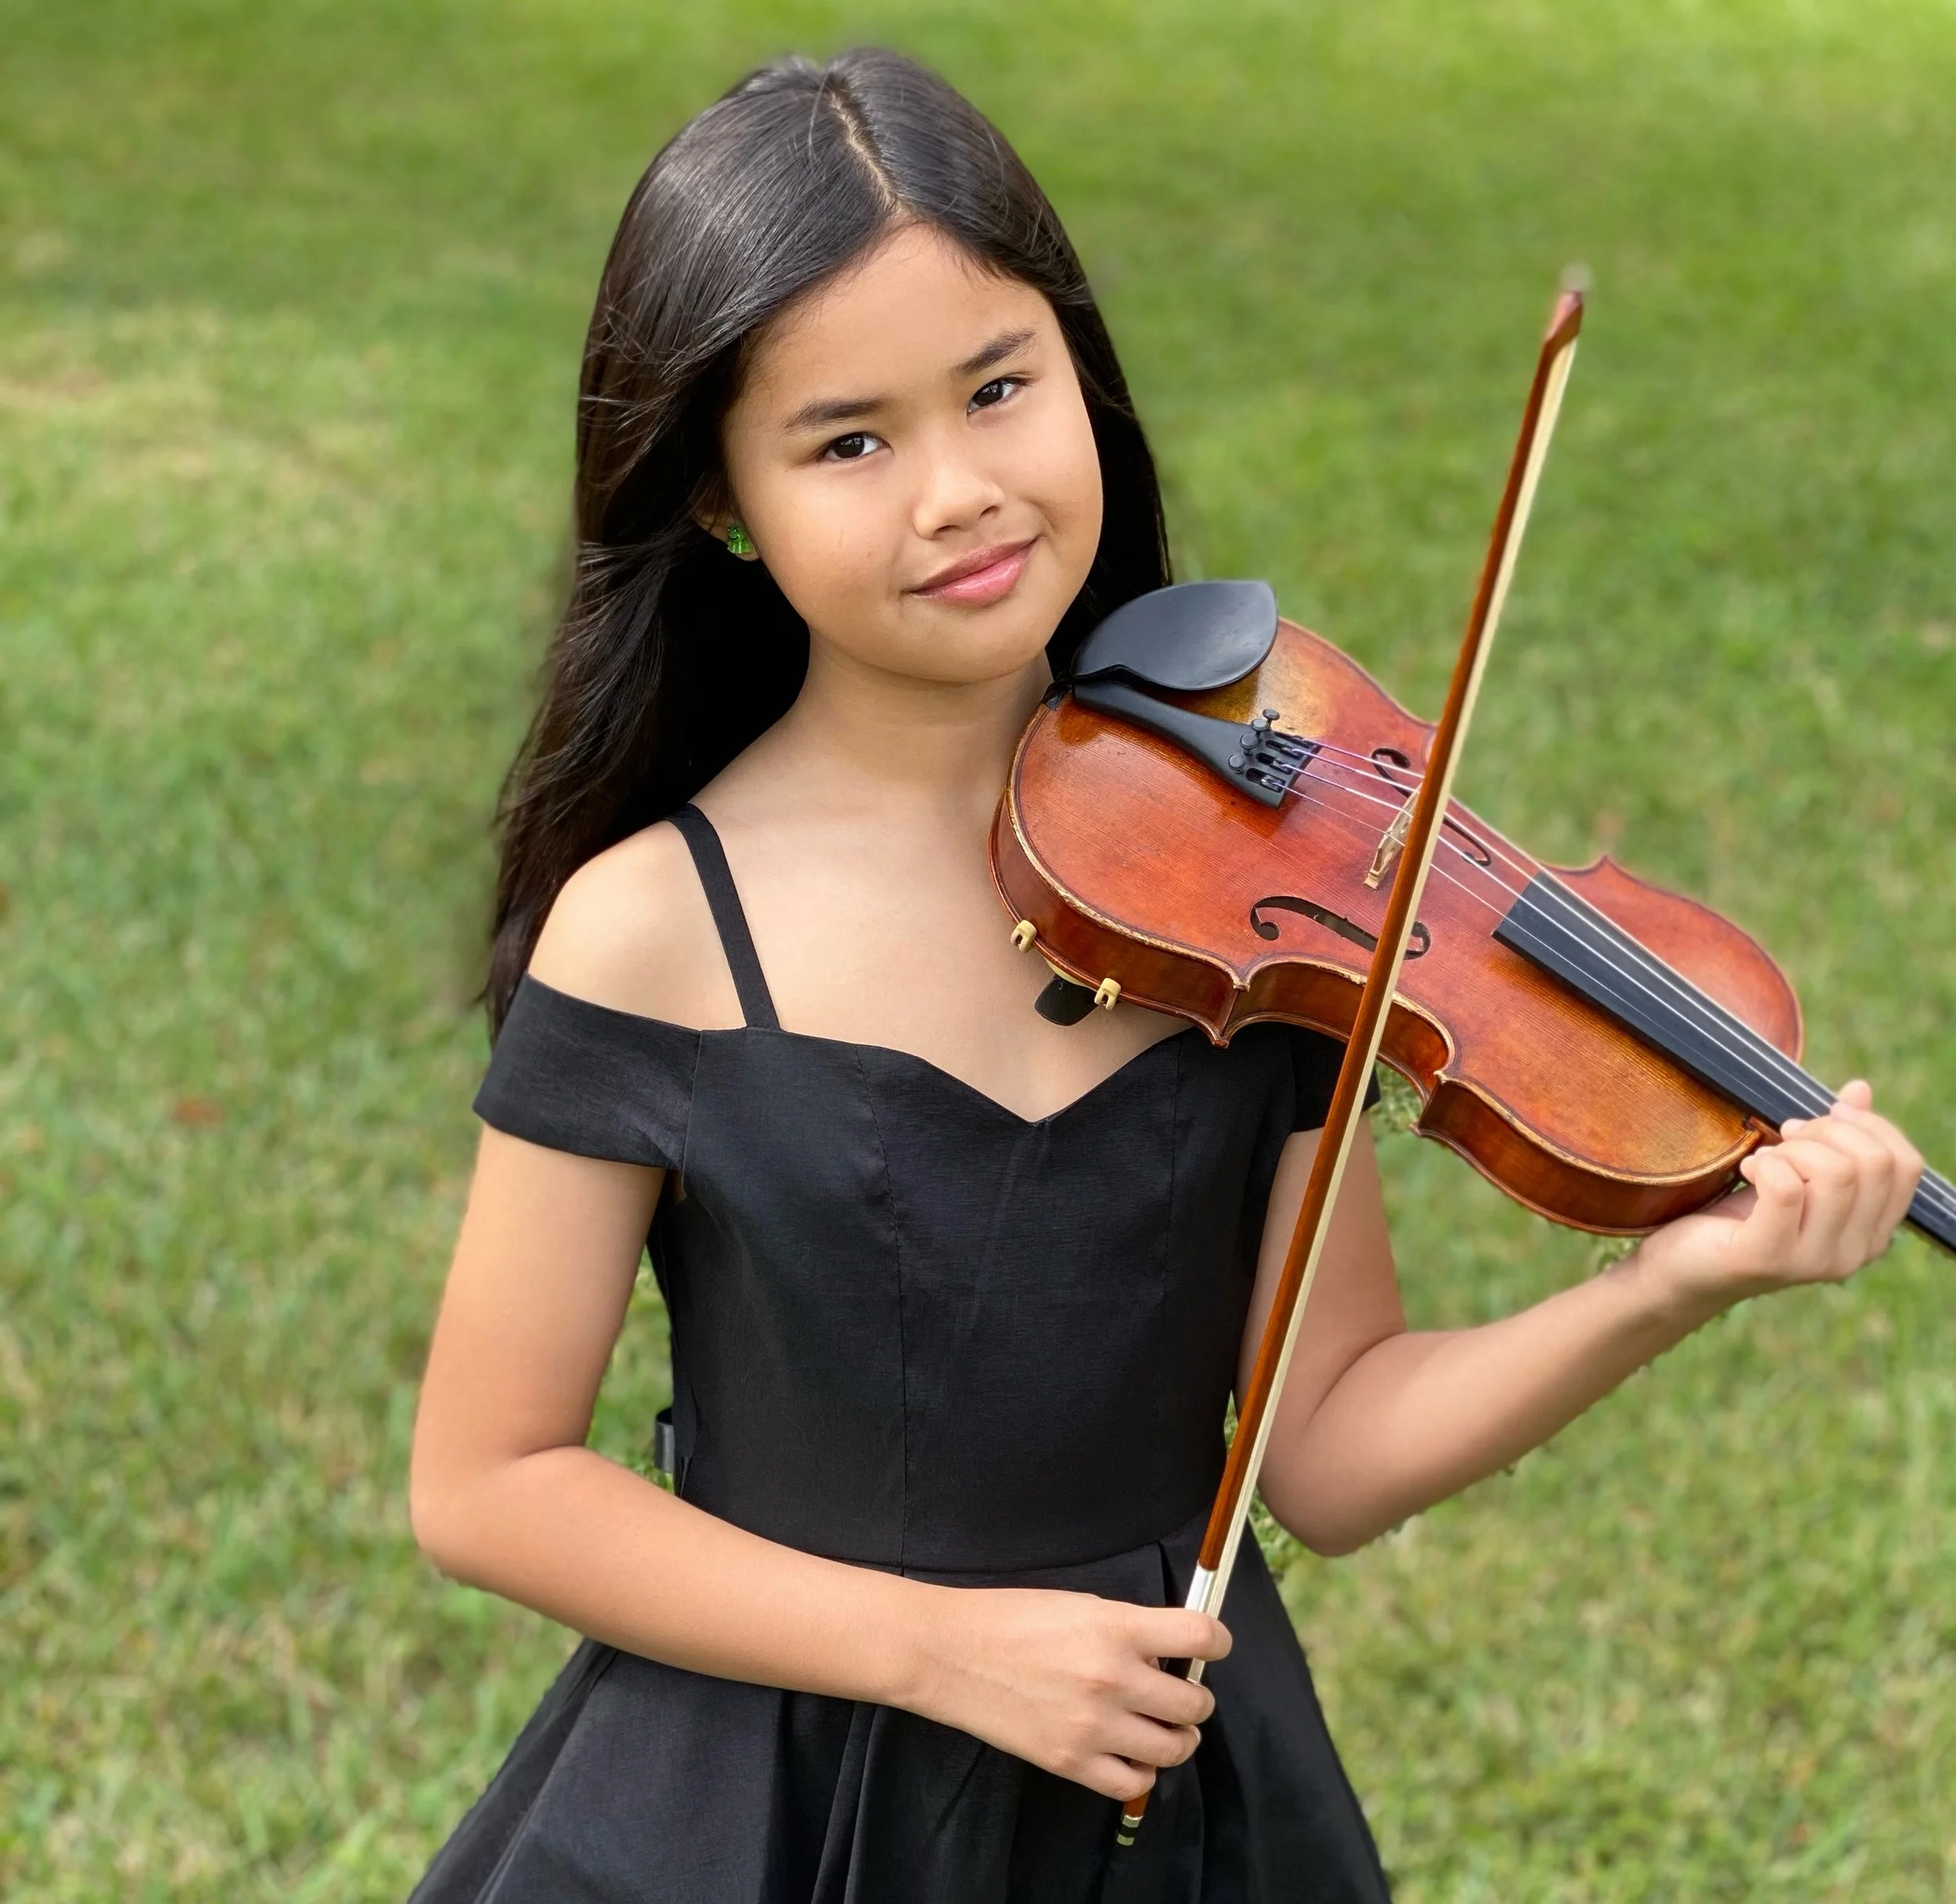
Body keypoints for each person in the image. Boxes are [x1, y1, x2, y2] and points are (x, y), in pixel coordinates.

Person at [404, 48, 1924, 1904]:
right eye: (847, 440)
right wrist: (932, 1647)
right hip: (772, 1797)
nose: (956, 490)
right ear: (718, 501)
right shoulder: (656, 919)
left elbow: (1334, 1447)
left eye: (996, 388)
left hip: (1167, 1807)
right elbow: (484, 1481)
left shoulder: (1261, 891)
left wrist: (1671, 1279)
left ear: (1080, 381)